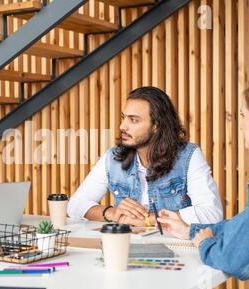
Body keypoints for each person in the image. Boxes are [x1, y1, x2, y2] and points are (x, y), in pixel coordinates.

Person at [157, 75, 249, 289]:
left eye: (243, 115)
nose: (240, 123)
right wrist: (191, 230)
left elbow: (234, 257)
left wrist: (204, 241)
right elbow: (247, 227)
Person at [67, 86, 223, 227]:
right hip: (126, 247)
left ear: (156, 126)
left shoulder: (188, 156)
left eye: (133, 120)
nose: (122, 126)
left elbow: (212, 213)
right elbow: (74, 205)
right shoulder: (113, 158)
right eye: (124, 117)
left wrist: (149, 219)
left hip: (174, 250)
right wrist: (111, 213)